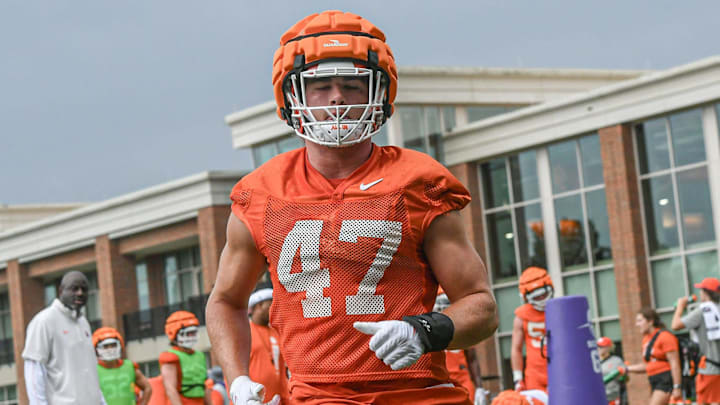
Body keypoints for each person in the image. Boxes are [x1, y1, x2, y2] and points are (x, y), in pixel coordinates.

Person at [205, 9, 497, 405]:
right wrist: (237, 380)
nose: (337, 96)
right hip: (318, 396)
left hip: (418, 394)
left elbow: (481, 307)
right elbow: (225, 300)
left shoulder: (417, 181)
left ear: (380, 91)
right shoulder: (261, 193)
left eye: (353, 84)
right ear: (292, 94)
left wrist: (423, 330)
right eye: (320, 85)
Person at [22, 270, 107, 404]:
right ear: (61, 291)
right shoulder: (44, 321)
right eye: (74, 288)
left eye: (84, 289)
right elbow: (34, 370)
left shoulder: (83, 323)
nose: (80, 293)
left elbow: (91, 373)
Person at [671, 277, 720, 405]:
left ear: (706, 292)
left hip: (709, 368)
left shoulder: (702, 311)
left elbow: (675, 325)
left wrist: (680, 307)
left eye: (701, 290)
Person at [434, 290, 485, 404]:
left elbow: (472, 359)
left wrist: (479, 387)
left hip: (463, 379)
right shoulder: (427, 329)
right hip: (439, 381)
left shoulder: (462, 327)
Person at [626, 308, 681, 405]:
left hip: (666, 378)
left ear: (650, 321)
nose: (637, 324)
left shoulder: (665, 336)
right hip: (654, 379)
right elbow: (647, 365)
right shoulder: (646, 340)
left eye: (640, 320)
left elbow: (674, 363)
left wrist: (677, 387)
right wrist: (627, 368)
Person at [511, 267, 553, 392]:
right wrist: (518, 379)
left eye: (543, 295)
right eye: (536, 297)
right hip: (535, 374)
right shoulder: (521, 316)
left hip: (561, 369)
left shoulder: (561, 309)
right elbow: (516, 349)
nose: (541, 299)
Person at [246, 283, 289, 404]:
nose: (274, 309)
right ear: (258, 306)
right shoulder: (244, 333)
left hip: (278, 400)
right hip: (253, 400)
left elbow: (282, 370)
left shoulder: (276, 332)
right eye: (270, 304)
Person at [159, 311, 209, 405]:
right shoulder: (170, 357)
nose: (190, 336)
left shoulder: (200, 356)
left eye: (193, 333)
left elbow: (204, 386)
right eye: (187, 333)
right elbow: (171, 389)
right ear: (174, 334)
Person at [93, 327, 153, 405]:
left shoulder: (129, 366)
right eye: (106, 346)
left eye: (113, 345)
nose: (110, 349)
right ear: (96, 349)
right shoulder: (94, 371)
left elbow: (147, 388)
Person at [597, 337, 626, 405]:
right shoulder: (595, 361)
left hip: (612, 397)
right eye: (598, 346)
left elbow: (624, 379)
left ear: (609, 347)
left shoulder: (616, 361)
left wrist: (622, 374)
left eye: (602, 346)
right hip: (598, 396)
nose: (599, 348)